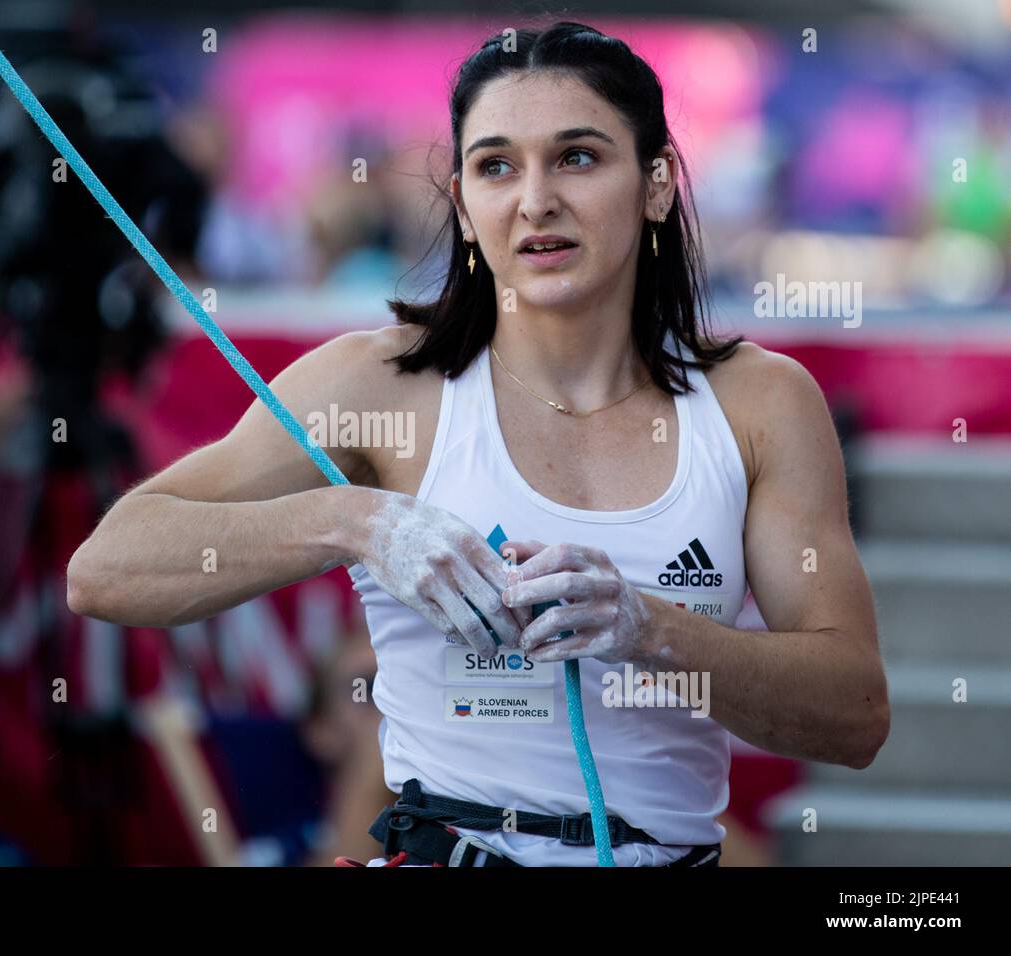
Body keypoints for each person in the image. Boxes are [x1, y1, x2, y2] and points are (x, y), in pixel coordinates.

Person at [66, 22, 889, 867]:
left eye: (577, 157)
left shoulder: (760, 402)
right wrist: (355, 522)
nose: (535, 201)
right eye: (496, 166)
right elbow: (105, 569)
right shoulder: (379, 383)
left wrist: (649, 629)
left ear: (657, 185)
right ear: (462, 204)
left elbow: (855, 715)